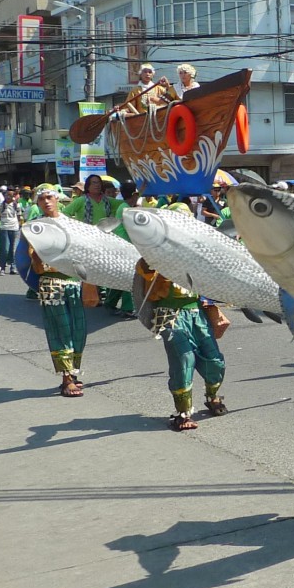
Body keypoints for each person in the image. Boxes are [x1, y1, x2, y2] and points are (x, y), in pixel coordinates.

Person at [135, 204, 227, 431]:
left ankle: (212, 396)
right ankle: (183, 412)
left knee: (214, 359)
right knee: (184, 360)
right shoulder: (155, 251)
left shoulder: (196, 251)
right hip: (169, 315)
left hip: (196, 313)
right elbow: (144, 269)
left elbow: (207, 284)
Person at [29, 184, 87, 397]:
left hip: (74, 282)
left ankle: (73, 371)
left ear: (57, 199)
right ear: (37, 203)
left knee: (78, 330)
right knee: (60, 330)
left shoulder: (72, 224)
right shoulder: (35, 227)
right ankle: (66, 378)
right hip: (51, 284)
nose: (46, 201)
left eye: (49, 197)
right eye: (41, 198)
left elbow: (82, 255)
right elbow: (36, 263)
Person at [103, 182, 140, 318]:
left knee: (121, 277)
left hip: (120, 246)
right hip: (126, 247)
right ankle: (127, 308)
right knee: (129, 278)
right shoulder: (126, 210)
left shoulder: (124, 206)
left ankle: (110, 302)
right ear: (133, 195)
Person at [0, 187, 22, 275]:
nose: (9, 197)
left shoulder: (16, 205)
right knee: (4, 249)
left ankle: (13, 267)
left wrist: (20, 226)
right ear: (5, 195)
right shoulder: (1, 206)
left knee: (14, 249)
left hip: (14, 228)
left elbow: (19, 217)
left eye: (11, 195)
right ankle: (2, 267)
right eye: (7, 195)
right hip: (4, 228)